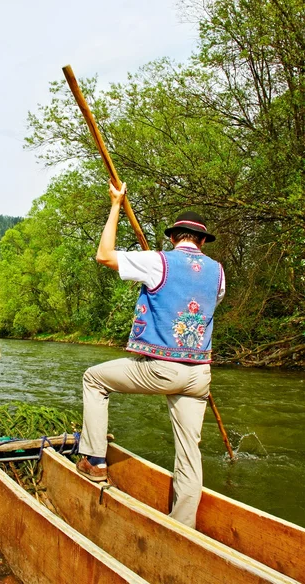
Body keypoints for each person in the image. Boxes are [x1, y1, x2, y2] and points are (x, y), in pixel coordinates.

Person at [76, 181, 225, 529]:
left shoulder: (159, 261)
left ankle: (94, 461)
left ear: (174, 237)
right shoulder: (219, 273)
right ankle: (183, 525)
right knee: (190, 452)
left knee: (94, 379)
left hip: (163, 369)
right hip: (199, 375)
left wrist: (116, 204)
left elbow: (104, 255)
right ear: (202, 241)